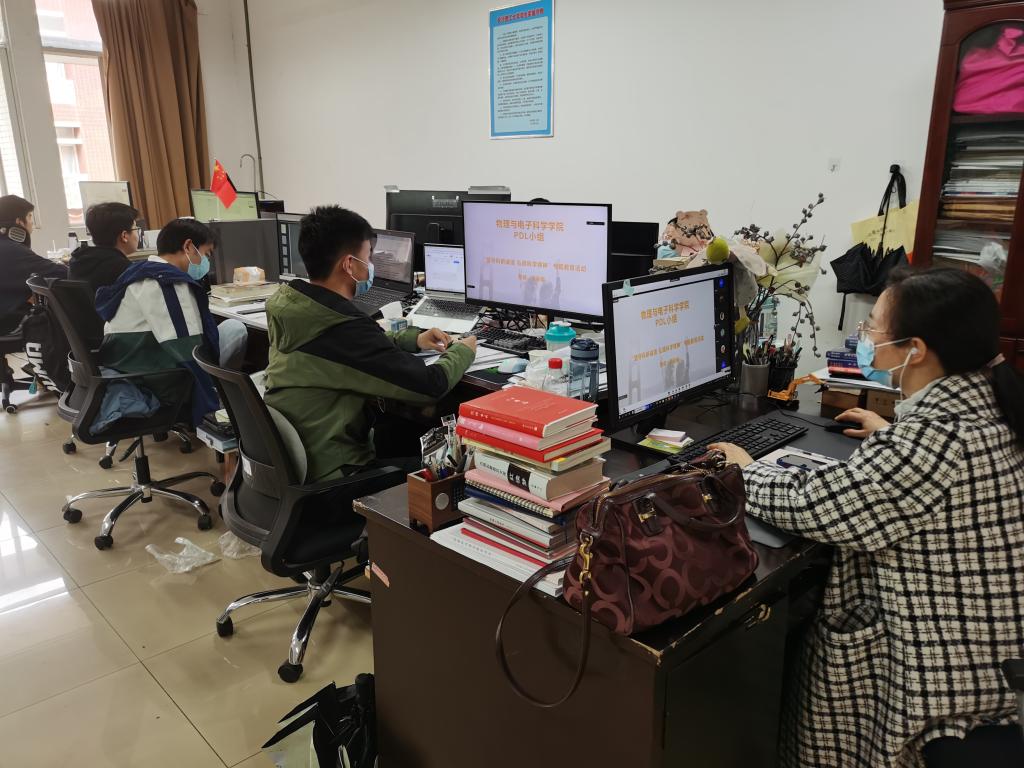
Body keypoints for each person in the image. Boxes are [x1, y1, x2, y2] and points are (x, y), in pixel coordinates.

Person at [710, 268, 1024, 768]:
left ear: (915, 350)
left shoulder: (935, 441)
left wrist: (743, 471)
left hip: (946, 678)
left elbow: (817, 505)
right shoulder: (986, 402)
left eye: (873, 326)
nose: (865, 337)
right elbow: (916, 473)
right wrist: (890, 433)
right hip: (993, 652)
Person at [264, 205, 476, 482]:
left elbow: (351, 348)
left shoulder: (298, 310)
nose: (371, 264)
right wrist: (463, 351)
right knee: (458, 469)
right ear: (349, 265)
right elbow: (429, 385)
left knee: (402, 430)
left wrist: (413, 339)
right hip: (337, 476)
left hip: (303, 460)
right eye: (368, 256)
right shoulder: (343, 328)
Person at [95, 218, 248, 426]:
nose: (207, 262)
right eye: (206, 253)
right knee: (236, 329)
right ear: (188, 246)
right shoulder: (167, 282)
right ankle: (222, 403)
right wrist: (208, 406)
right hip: (156, 381)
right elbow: (188, 351)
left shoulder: (138, 271)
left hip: (128, 367)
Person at [0, 194, 66, 333]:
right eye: (30, 217)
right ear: (19, 222)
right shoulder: (13, 250)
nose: (32, 224)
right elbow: (62, 273)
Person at [68, 202, 139, 296]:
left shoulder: (77, 262)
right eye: (135, 228)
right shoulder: (124, 270)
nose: (137, 233)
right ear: (124, 236)